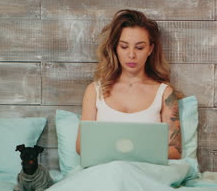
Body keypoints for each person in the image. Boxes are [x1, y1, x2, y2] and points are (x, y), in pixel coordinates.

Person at [76, 9, 182, 159]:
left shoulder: (165, 93)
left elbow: (175, 152)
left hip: (146, 172)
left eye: (139, 47)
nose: (131, 54)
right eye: (124, 47)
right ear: (115, 48)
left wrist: (130, 156)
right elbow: (82, 146)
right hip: (106, 172)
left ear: (150, 49)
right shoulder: (94, 91)